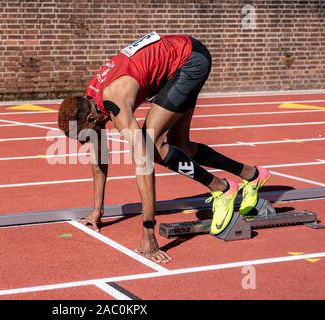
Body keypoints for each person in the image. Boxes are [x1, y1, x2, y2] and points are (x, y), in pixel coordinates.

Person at [57, 32, 270, 263]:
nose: (82, 142)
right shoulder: (89, 102)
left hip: (189, 61)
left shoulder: (113, 102)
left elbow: (144, 164)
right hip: (181, 59)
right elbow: (99, 162)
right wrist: (97, 210)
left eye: (81, 137)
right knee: (181, 147)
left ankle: (222, 189)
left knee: (152, 147)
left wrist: (148, 232)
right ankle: (252, 174)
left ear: (90, 121)